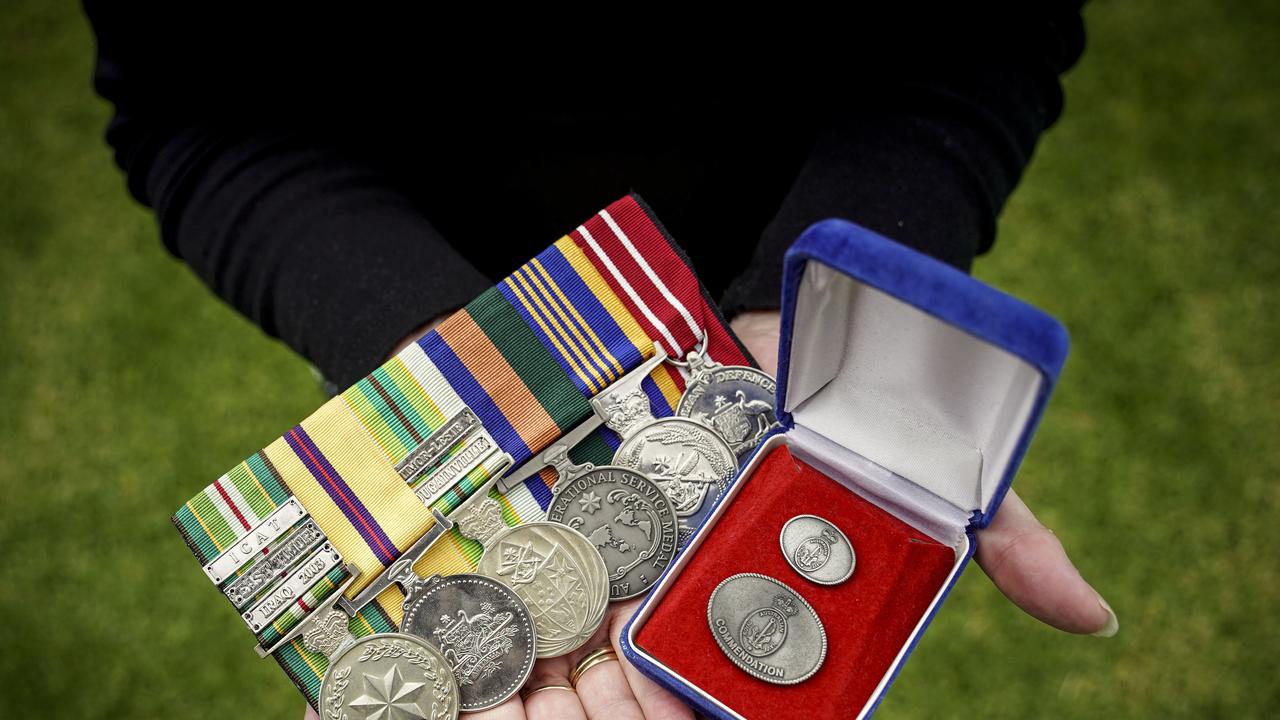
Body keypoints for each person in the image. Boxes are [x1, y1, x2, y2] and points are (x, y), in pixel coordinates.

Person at [85, 5, 1114, 718]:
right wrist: (434, 351)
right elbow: (195, 106)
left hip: (777, 273)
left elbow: (984, 34)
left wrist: (828, 322)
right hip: (420, 301)